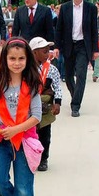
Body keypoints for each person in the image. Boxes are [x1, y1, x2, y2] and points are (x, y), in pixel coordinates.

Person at [0, 38, 43, 196]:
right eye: (12, 58)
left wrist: (17, 129)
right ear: (5, 59)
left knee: (23, 183)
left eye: (21, 58)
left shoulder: (33, 84)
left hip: (24, 140)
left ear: (27, 59)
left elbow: (37, 116)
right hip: (2, 138)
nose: (16, 62)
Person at [54, 0, 99, 118]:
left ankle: (75, 106)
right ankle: (76, 95)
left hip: (83, 46)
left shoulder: (90, 8)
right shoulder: (65, 8)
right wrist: (56, 47)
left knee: (81, 75)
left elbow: (93, 30)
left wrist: (95, 50)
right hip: (68, 45)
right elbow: (59, 28)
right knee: (68, 77)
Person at [29, 37, 62, 172]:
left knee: (45, 134)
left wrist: (57, 103)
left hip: (45, 107)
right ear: (34, 53)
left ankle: (43, 159)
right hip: (29, 107)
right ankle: (30, 157)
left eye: (48, 51)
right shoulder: (26, 69)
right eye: (44, 51)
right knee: (30, 133)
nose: (48, 54)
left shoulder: (52, 69)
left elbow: (57, 86)